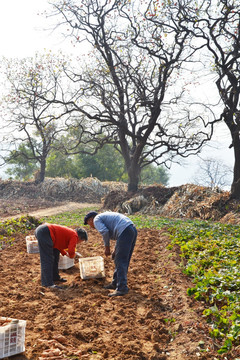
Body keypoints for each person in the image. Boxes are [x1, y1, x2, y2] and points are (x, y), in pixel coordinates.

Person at [84, 211, 137, 297]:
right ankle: (115, 283)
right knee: (121, 259)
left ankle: (122, 288)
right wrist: (115, 250)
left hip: (125, 231)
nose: (91, 227)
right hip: (131, 230)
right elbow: (119, 234)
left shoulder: (96, 219)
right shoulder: (104, 217)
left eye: (89, 224)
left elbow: (105, 232)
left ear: (91, 220)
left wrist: (107, 248)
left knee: (120, 261)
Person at [35, 223, 88, 289]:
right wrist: (72, 256)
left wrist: (65, 253)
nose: (78, 243)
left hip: (45, 232)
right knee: (47, 259)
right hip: (45, 232)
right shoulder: (74, 235)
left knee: (55, 256)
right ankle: (48, 283)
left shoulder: (69, 233)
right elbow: (71, 250)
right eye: (81, 241)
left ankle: (55, 277)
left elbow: (58, 245)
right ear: (80, 238)